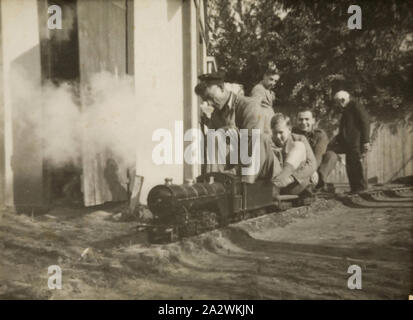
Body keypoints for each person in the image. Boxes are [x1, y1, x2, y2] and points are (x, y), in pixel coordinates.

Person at [194, 72, 273, 183]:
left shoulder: (249, 105)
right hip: (236, 164)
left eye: (210, 98)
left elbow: (252, 142)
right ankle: (211, 185)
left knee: (256, 139)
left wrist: (235, 171)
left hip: (261, 162)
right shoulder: (216, 114)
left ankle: (242, 188)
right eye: (205, 100)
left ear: (222, 87)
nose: (209, 103)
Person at [330, 90, 371, 194]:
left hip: (355, 143)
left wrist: (366, 141)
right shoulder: (347, 109)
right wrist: (337, 138)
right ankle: (355, 189)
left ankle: (360, 188)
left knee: (355, 165)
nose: (336, 105)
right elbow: (345, 128)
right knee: (350, 166)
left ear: (343, 100)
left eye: (337, 102)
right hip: (349, 143)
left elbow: (365, 122)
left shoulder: (355, 106)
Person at [271, 113, 318, 195]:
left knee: (298, 145)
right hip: (274, 186)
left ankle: (281, 180)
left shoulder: (300, 138)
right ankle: (277, 182)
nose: (278, 136)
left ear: (289, 129)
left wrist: (291, 178)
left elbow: (312, 164)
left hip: (295, 184)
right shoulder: (270, 142)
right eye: (275, 133)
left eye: (281, 132)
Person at [292, 109, 338, 190]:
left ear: (313, 121)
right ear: (296, 120)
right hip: (298, 165)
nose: (303, 122)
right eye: (300, 119)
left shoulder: (320, 135)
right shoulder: (292, 133)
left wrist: (312, 171)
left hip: (315, 165)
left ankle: (318, 183)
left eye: (307, 119)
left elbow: (318, 156)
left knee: (331, 155)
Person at [250, 65, 280, 136]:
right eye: (271, 79)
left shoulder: (269, 91)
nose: (273, 83)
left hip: (268, 126)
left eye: (275, 81)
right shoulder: (258, 89)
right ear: (264, 77)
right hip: (261, 127)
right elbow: (254, 110)